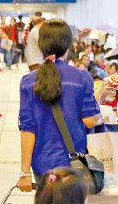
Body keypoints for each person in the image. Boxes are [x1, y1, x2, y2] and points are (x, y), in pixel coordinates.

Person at [16, 21, 102, 192]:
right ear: (68, 46)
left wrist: (24, 172)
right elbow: (90, 121)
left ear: (41, 45)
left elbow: (28, 129)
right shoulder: (81, 78)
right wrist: (101, 95)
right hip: (73, 165)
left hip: (42, 166)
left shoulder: (28, 81)